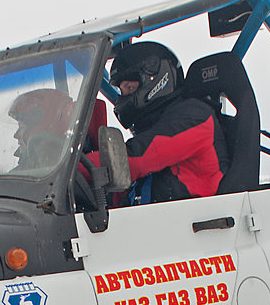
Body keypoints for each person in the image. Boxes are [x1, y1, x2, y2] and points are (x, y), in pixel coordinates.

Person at [88, 41, 227, 204]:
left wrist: (73, 169)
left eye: (130, 88)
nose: (123, 97)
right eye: (121, 91)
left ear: (158, 81)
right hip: (158, 221)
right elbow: (120, 191)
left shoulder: (194, 117)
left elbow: (133, 160)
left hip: (195, 222)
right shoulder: (155, 126)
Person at [8, 88, 75, 173]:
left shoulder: (56, 172)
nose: (15, 135)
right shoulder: (25, 170)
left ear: (41, 127)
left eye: (21, 127)